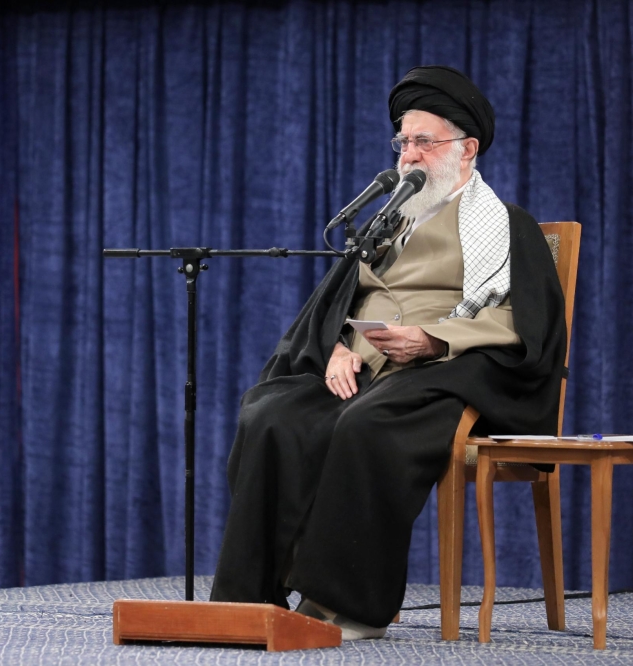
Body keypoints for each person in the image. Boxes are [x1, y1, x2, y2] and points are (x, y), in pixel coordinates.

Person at [208, 65, 567, 640]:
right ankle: (253, 595)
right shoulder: (386, 223)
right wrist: (336, 348)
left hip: (446, 370)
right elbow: (337, 302)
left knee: (367, 423)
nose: (410, 155)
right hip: (365, 369)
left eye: (425, 141)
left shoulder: (505, 225)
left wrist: (435, 339)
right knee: (271, 413)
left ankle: (344, 605)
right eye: (403, 142)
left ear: (467, 148)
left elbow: (525, 320)